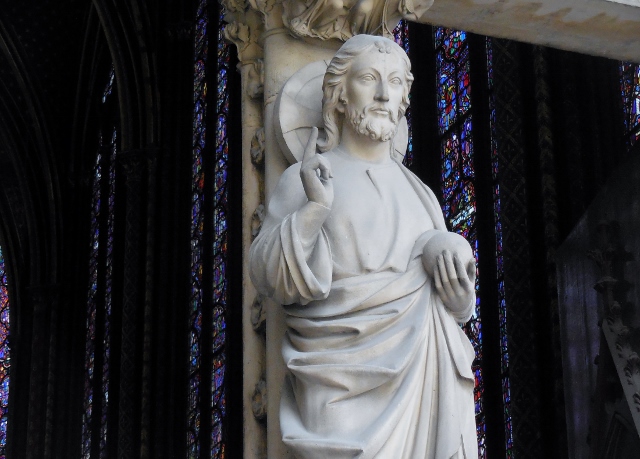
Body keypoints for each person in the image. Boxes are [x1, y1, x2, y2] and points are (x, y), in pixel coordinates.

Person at [249, 34, 478, 459]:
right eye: (369, 79)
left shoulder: (422, 195)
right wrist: (315, 209)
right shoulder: (308, 177)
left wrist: (460, 298)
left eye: (395, 82)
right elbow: (267, 274)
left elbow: (452, 311)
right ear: (339, 95)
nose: (383, 94)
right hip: (335, 385)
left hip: (423, 383)